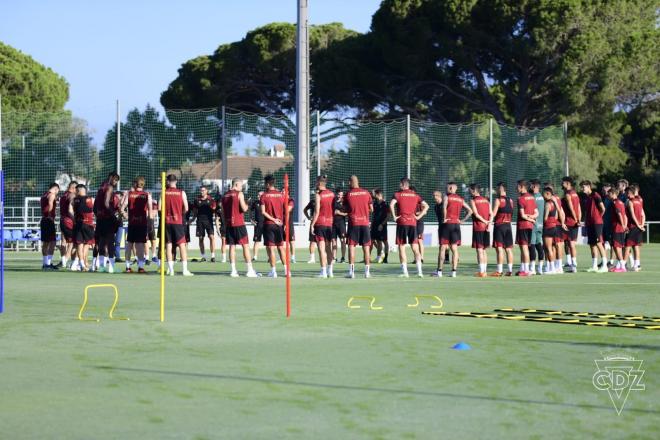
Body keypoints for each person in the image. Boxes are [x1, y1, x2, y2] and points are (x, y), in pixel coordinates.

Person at [390, 178, 428, 278]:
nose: (399, 186)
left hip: (402, 222)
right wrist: (418, 217)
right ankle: (420, 272)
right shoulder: (416, 195)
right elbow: (426, 206)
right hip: (413, 222)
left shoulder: (397, 194)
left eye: (400, 184)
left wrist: (394, 216)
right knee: (415, 247)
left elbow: (391, 204)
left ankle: (405, 272)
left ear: (403, 184)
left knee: (401, 247)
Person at [222, 178, 258, 277]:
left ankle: (233, 271)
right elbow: (244, 208)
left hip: (229, 224)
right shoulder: (239, 194)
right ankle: (249, 270)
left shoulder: (225, 195)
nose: (241, 188)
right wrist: (248, 203)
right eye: (241, 185)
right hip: (239, 224)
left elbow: (223, 211)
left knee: (232, 247)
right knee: (245, 246)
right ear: (236, 184)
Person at [343, 175, 374, 278]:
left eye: (349, 182)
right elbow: (371, 209)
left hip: (354, 224)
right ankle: (367, 272)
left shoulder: (348, 194)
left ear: (351, 182)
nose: (348, 184)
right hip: (365, 224)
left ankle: (351, 272)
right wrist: (364, 211)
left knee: (351, 247)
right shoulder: (366, 193)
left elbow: (345, 209)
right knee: (366, 248)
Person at [438, 182, 471, 277]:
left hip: (447, 224)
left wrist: (444, 218)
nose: (446, 189)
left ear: (451, 188)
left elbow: (444, 207)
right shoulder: (460, 199)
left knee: (443, 248)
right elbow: (470, 210)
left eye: (447, 187)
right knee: (454, 249)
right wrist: (463, 220)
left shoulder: (446, 197)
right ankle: (454, 272)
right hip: (456, 225)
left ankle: (440, 271)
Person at [164, 174, 193, 276]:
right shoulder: (181, 193)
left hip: (167, 222)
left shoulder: (164, 193)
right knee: (182, 245)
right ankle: (185, 270)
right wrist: (180, 213)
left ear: (167, 181)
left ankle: (170, 269)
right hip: (178, 221)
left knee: (168, 244)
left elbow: (159, 208)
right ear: (176, 181)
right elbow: (186, 208)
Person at [123, 177, 153, 273]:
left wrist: (126, 215)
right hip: (142, 223)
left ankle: (127, 267)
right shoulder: (147, 195)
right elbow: (150, 211)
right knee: (140, 245)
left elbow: (122, 207)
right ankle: (140, 267)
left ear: (136, 184)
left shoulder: (129, 194)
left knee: (129, 244)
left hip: (132, 223)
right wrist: (150, 223)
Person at [260, 175, 288, 278]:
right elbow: (286, 210)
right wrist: (282, 222)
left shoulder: (264, 196)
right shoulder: (281, 195)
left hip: (269, 224)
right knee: (281, 247)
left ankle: (273, 271)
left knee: (271, 248)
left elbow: (263, 212)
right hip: (279, 225)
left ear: (267, 184)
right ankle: (286, 271)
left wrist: (273, 219)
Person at [310, 175, 336, 278]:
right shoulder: (332, 194)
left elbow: (316, 211)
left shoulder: (318, 195)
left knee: (321, 248)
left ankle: (323, 272)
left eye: (316, 182)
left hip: (320, 224)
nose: (315, 184)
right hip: (329, 224)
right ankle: (330, 271)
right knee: (328, 248)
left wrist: (312, 224)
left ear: (320, 183)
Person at [94, 172, 120, 273]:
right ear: (111, 178)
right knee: (110, 242)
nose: (116, 182)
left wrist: (98, 215)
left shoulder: (101, 187)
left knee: (101, 241)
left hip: (100, 218)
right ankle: (111, 267)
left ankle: (101, 266)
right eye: (115, 180)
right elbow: (106, 203)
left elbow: (95, 205)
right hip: (107, 218)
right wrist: (113, 216)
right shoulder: (109, 187)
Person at [580, 180, 608, 273]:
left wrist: (598, 217)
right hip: (590, 223)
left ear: (588, 186)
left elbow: (603, 208)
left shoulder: (595, 195)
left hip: (597, 223)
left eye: (583, 187)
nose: (582, 189)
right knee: (592, 244)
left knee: (599, 243)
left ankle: (604, 266)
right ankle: (594, 266)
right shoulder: (587, 197)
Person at [490, 183, 514, 276]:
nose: (496, 190)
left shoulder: (498, 200)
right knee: (508, 249)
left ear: (501, 189)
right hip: (508, 226)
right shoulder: (511, 200)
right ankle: (510, 271)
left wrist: (489, 222)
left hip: (500, 226)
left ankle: (499, 271)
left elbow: (494, 213)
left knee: (499, 248)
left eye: (497, 188)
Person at [515, 180, 538, 276]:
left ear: (522, 187)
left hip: (523, 225)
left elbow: (523, 215)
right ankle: (523, 268)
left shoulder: (520, 199)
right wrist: (532, 219)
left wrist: (529, 219)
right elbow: (537, 213)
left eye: (517, 186)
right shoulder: (532, 198)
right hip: (530, 226)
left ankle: (527, 270)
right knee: (523, 247)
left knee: (524, 248)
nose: (516, 188)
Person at [70, 184, 95, 272]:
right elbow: (92, 209)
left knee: (79, 244)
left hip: (78, 224)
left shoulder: (74, 200)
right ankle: (87, 263)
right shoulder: (90, 199)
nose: (75, 192)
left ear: (80, 190)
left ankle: (81, 264)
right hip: (87, 224)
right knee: (87, 244)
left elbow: (71, 210)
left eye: (76, 191)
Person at [469, 184, 491, 277]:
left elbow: (476, 214)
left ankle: (481, 272)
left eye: (470, 190)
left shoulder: (473, 200)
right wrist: (489, 223)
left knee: (479, 250)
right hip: (486, 227)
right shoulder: (486, 200)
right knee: (484, 250)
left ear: (474, 191)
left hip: (478, 227)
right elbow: (491, 213)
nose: (469, 192)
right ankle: (484, 271)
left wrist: (484, 221)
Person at [561, 177, 581, 272]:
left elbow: (572, 208)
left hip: (569, 222)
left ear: (568, 183)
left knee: (570, 244)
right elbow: (579, 208)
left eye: (563, 182)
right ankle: (572, 263)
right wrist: (579, 219)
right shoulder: (575, 194)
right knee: (570, 243)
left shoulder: (568, 194)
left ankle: (573, 265)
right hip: (575, 222)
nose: (562, 183)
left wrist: (575, 219)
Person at [192, 186, 217, 262]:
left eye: (203, 190)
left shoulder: (211, 200)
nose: (201, 192)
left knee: (211, 237)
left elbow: (214, 210)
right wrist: (192, 219)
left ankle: (213, 256)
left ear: (207, 191)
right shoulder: (196, 200)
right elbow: (195, 211)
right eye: (201, 190)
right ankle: (203, 256)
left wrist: (216, 217)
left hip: (209, 221)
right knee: (201, 238)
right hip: (200, 221)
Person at [624, 184, 645, 272]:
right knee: (636, 246)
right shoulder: (639, 201)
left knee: (627, 246)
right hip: (638, 227)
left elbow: (632, 215)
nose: (626, 194)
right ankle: (636, 265)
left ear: (630, 193)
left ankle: (622, 265)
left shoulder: (630, 201)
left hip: (632, 226)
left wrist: (638, 224)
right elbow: (643, 215)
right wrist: (641, 225)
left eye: (627, 192)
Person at [40, 183, 60, 270]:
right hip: (48, 220)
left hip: (43, 219)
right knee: (52, 242)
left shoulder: (44, 195)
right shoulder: (51, 195)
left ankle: (45, 263)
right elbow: (50, 205)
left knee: (45, 243)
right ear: (56, 189)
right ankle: (48, 264)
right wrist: (50, 216)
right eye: (58, 191)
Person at [608, 188, 628, 272]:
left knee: (617, 247)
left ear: (613, 194)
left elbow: (619, 214)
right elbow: (625, 216)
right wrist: (625, 225)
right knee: (617, 247)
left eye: (609, 193)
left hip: (617, 227)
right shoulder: (621, 202)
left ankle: (622, 267)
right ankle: (619, 265)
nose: (608, 195)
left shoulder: (615, 203)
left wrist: (623, 225)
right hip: (620, 227)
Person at [58, 181, 77, 268]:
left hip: (62, 220)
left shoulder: (63, 196)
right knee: (74, 242)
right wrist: (75, 219)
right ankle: (66, 260)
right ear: (73, 188)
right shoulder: (71, 195)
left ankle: (65, 261)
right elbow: (70, 208)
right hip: (69, 221)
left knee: (64, 241)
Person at [541, 187, 560, 274]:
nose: (542, 195)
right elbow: (556, 216)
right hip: (554, 227)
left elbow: (545, 218)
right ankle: (552, 267)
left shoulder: (547, 204)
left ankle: (552, 268)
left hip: (548, 227)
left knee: (548, 248)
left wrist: (543, 221)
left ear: (548, 193)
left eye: (543, 194)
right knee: (552, 247)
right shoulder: (554, 203)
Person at [529, 179, 545, 275]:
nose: (530, 187)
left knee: (532, 246)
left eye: (531, 185)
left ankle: (532, 268)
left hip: (534, 224)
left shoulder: (533, 197)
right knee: (539, 245)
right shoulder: (542, 197)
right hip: (540, 225)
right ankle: (540, 268)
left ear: (535, 186)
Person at [371, 188, 389, 264]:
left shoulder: (385, 204)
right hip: (375, 225)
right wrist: (372, 223)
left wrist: (382, 224)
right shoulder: (374, 203)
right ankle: (379, 257)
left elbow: (388, 216)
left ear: (379, 195)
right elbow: (374, 214)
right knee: (378, 241)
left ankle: (386, 258)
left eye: (375, 194)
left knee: (384, 241)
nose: (374, 195)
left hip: (382, 225)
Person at [410, 186, 425, 263]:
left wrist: (416, 214)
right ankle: (416, 258)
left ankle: (421, 258)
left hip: (419, 223)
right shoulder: (409, 200)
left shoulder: (419, 200)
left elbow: (424, 211)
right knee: (413, 241)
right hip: (411, 223)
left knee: (419, 240)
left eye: (411, 191)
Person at [333, 190, 347, 263]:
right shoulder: (333, 202)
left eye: (341, 194)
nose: (340, 196)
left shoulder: (345, 203)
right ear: (336, 194)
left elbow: (347, 213)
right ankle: (334, 258)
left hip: (341, 224)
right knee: (334, 241)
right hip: (333, 224)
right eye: (338, 194)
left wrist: (340, 213)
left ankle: (343, 258)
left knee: (342, 240)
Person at [250, 191, 265, 262]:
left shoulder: (266, 202)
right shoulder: (255, 203)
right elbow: (250, 211)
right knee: (256, 241)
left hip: (266, 225)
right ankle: (255, 257)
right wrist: (251, 220)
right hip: (258, 225)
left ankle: (269, 257)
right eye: (258, 195)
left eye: (259, 195)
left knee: (269, 242)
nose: (258, 196)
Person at [303, 196, 317, 264]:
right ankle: (312, 258)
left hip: (322, 223)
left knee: (325, 242)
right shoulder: (312, 202)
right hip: (313, 224)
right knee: (312, 241)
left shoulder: (324, 200)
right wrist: (308, 217)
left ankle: (328, 257)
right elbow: (305, 210)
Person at [147, 197, 159, 264]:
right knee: (145, 241)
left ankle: (154, 256)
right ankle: (146, 257)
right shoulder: (143, 203)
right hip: (143, 223)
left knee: (153, 240)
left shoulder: (153, 204)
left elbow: (153, 215)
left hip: (151, 224)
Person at [286, 195, 296, 264]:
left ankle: (293, 257)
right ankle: (283, 257)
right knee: (283, 242)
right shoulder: (280, 200)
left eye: (284, 191)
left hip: (289, 224)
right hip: (282, 224)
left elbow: (288, 210)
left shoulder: (290, 201)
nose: (282, 192)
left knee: (291, 241)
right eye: (282, 191)